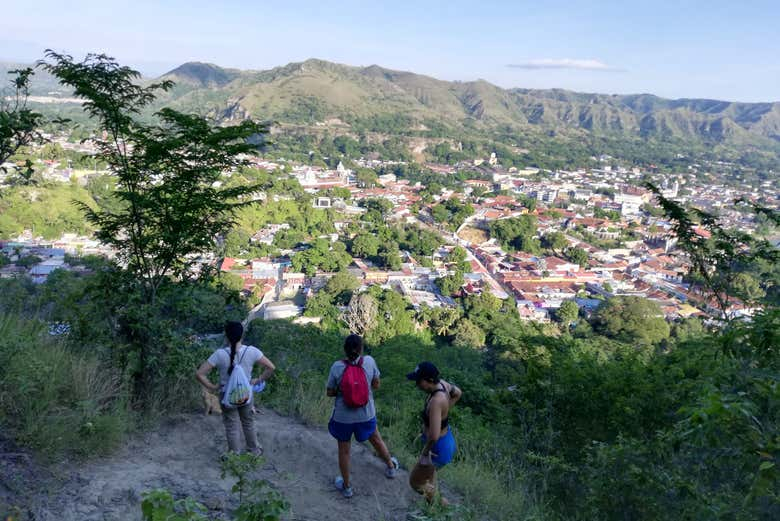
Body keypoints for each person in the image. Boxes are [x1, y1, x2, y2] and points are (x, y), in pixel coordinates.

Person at [326, 334, 399, 498]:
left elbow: (329, 392)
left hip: (343, 418)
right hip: (366, 414)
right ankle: (391, 467)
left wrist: (344, 391)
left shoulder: (337, 367)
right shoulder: (369, 361)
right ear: (361, 349)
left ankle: (347, 487)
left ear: (344, 350)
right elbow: (376, 385)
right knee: (376, 439)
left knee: (344, 451)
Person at [196, 321, 275, 455]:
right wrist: (258, 379)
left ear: (226, 336)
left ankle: (234, 454)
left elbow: (199, 374)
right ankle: (254, 451)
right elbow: (271, 367)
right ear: (242, 335)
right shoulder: (252, 351)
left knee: (231, 425)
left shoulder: (219, 354)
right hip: (246, 395)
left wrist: (213, 387)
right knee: (248, 423)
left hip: (226, 395)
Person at [407, 361, 462, 504]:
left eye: (419, 381)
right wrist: (444, 412)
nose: (417, 384)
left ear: (429, 380)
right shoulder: (443, 385)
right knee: (428, 481)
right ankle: (433, 508)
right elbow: (458, 393)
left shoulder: (437, 401)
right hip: (443, 441)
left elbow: (434, 435)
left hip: (438, 447)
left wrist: (424, 454)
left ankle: (442, 506)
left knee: (416, 482)